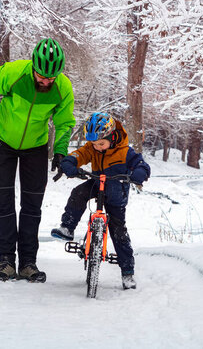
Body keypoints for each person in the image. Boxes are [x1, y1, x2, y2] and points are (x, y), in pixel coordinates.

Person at [0, 38, 75, 283]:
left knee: (32, 206)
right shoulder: (13, 73)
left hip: (36, 147)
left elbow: (64, 123)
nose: (45, 81)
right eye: (41, 76)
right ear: (33, 67)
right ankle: (6, 259)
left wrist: (60, 151)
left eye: (51, 78)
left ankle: (28, 262)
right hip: (3, 143)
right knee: (4, 202)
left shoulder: (63, 87)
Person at [51, 112, 150, 290]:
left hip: (116, 188)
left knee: (118, 230)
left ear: (112, 136)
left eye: (101, 144)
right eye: (94, 144)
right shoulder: (92, 147)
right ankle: (67, 227)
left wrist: (139, 173)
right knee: (79, 192)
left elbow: (141, 164)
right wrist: (70, 164)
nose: (97, 148)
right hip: (97, 183)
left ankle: (127, 272)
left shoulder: (125, 152)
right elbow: (78, 155)